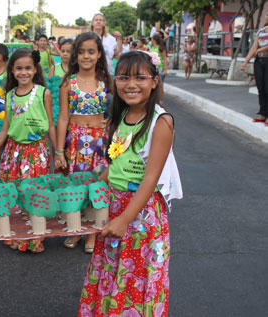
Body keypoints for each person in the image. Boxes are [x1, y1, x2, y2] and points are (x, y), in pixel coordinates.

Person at [78, 50, 182, 316]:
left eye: (140, 77)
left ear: (155, 81)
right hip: (114, 206)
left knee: (136, 274)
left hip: (141, 214)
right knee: (112, 269)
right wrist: (89, 190)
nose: (131, 84)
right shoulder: (120, 118)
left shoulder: (161, 122)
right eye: (123, 77)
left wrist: (125, 219)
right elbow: (115, 166)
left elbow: (151, 179)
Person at [0, 48, 57, 253]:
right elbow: (4, 130)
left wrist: (59, 153)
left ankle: (35, 238)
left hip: (37, 152)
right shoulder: (8, 95)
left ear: (35, 69)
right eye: (18, 68)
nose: (23, 72)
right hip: (12, 153)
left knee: (34, 194)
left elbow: (51, 126)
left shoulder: (43, 93)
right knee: (14, 193)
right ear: (12, 71)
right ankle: (17, 237)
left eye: (28, 68)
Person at [55, 32, 111, 253]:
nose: (86, 56)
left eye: (91, 51)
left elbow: (119, 107)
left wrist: (111, 122)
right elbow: (62, 118)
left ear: (99, 54)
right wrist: (59, 151)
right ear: (75, 55)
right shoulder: (68, 83)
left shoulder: (106, 81)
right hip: (76, 142)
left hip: (100, 142)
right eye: (81, 52)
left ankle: (92, 235)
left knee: (97, 185)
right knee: (76, 186)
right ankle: (76, 230)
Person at [241, 12, 268, 125]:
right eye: (267, 14)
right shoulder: (261, 31)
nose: (267, 16)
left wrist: (261, 50)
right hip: (259, 61)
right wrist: (246, 61)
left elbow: (259, 49)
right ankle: (263, 114)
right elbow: (254, 47)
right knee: (261, 88)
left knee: (267, 87)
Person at [151, 33, 168, 100]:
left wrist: (165, 70)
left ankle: (160, 100)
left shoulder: (160, 48)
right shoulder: (152, 48)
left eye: (152, 39)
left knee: (160, 86)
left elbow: (165, 59)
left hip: (160, 68)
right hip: (153, 69)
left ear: (154, 40)